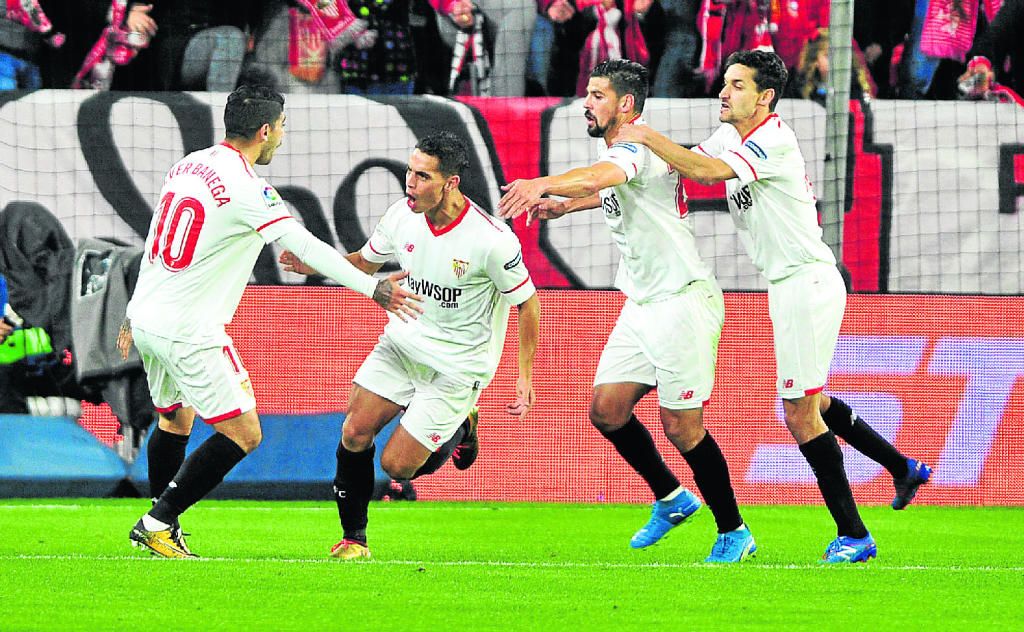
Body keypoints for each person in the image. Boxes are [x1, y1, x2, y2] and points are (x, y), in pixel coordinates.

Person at [614, 49, 933, 563]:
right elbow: (686, 169)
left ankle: (855, 535)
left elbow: (708, 172)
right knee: (816, 403)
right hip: (785, 288)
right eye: (724, 82)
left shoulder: (773, 139)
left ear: (764, 97)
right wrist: (584, 193)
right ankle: (902, 468)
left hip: (807, 283)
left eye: (737, 85)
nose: (723, 91)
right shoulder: (728, 135)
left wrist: (646, 134)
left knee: (799, 413)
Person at [119, 84, 421, 559]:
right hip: (188, 330)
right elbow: (306, 247)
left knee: (175, 418)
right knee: (244, 433)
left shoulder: (187, 164)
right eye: (280, 127)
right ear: (265, 130)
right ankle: (156, 522)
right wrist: (374, 286)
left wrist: (132, 312)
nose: (281, 136)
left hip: (150, 320)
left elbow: (155, 240)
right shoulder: (247, 188)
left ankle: (163, 524)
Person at [498, 59, 755, 564]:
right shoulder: (625, 150)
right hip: (642, 301)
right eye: (587, 94)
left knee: (682, 426)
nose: (586, 104)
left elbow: (605, 174)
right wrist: (569, 206)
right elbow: (615, 186)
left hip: (682, 300)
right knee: (607, 410)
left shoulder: (633, 145)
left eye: (597, 95)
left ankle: (734, 531)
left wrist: (542, 184)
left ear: (627, 105)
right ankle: (672, 497)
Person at [282, 131, 540, 560]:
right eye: (409, 171)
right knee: (354, 430)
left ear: (451, 183)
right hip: (401, 343)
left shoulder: (492, 240)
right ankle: (354, 540)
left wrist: (524, 375)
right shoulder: (402, 215)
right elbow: (365, 262)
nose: (410, 184)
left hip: (457, 365)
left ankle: (463, 425)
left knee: (398, 467)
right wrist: (315, 264)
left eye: (422, 176)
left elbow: (528, 305)